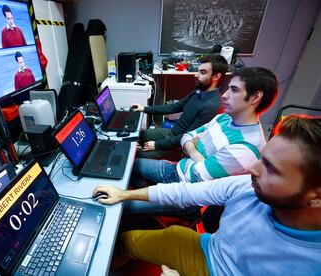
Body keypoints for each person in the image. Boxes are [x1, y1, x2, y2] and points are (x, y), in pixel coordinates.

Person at [93, 114, 321, 275]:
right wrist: (123, 195)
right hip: (210, 250)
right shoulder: (247, 186)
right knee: (128, 240)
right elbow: (185, 192)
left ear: (316, 196)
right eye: (263, 159)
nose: (253, 168)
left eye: (272, 169)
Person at [132, 67, 278, 188]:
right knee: (129, 164)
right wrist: (196, 153)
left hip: (184, 189)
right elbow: (187, 136)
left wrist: (190, 148)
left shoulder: (246, 148)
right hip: (179, 168)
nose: (224, 96)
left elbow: (197, 175)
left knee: (128, 175)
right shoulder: (224, 118)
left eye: (234, 90)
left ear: (255, 97)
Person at [131, 54, 228, 160]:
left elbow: (187, 136)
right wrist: (144, 109)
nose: (196, 75)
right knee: (138, 135)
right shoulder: (199, 92)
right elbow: (174, 107)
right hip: (173, 133)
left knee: (136, 157)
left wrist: (157, 145)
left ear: (216, 76)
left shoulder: (211, 106)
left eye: (203, 72)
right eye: (198, 71)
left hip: (179, 147)